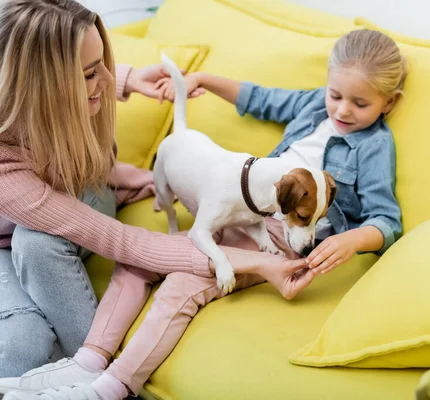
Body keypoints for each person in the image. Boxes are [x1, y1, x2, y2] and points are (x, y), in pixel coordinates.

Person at [2, 12, 406, 400]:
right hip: (251, 206)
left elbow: (386, 219)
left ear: (389, 103)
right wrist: (202, 79)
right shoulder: (315, 105)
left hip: (282, 235)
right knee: (135, 264)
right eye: (335, 95)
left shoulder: (373, 148)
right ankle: (89, 358)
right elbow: (260, 98)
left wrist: (352, 240)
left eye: (360, 104)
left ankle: (112, 388)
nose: (341, 110)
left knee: (181, 283)